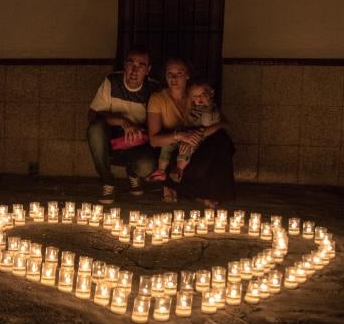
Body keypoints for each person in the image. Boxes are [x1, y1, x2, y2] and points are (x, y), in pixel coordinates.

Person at [146, 58, 236, 207]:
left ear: (187, 75)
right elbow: (154, 140)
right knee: (191, 158)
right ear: (165, 75)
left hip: (198, 143)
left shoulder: (196, 93)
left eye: (179, 73)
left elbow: (223, 123)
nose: (174, 78)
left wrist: (201, 133)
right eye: (170, 73)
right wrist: (181, 135)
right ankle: (178, 186)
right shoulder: (158, 99)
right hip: (173, 149)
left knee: (222, 141)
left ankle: (212, 193)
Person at [87, 47, 158, 204]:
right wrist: (123, 122)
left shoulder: (153, 89)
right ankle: (107, 181)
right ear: (124, 65)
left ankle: (133, 173)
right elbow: (92, 115)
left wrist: (138, 130)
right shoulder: (112, 82)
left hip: (138, 144)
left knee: (146, 165)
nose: (134, 70)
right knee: (95, 129)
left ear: (148, 70)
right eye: (130, 64)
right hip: (112, 141)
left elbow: (157, 125)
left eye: (141, 66)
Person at [146, 79, 222, 184]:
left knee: (186, 149)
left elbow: (210, 121)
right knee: (167, 146)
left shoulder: (212, 110)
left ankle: (179, 169)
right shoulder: (193, 106)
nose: (199, 98)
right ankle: (161, 171)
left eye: (203, 94)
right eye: (195, 96)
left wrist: (208, 104)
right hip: (184, 134)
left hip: (195, 139)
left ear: (211, 93)